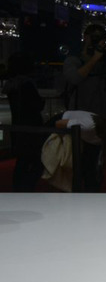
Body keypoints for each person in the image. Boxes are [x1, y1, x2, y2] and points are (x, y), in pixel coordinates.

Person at [62, 23, 106, 191]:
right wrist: (94, 59)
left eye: (101, 38)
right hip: (81, 121)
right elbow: (74, 78)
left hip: (104, 120)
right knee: (81, 165)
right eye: (94, 37)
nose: (98, 41)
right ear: (85, 37)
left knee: (100, 166)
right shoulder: (75, 60)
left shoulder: (105, 63)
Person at [3, 52, 46, 191]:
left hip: (18, 126)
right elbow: (37, 105)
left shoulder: (12, 85)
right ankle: (25, 187)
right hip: (32, 127)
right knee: (36, 160)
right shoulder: (27, 84)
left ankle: (20, 188)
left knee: (23, 161)